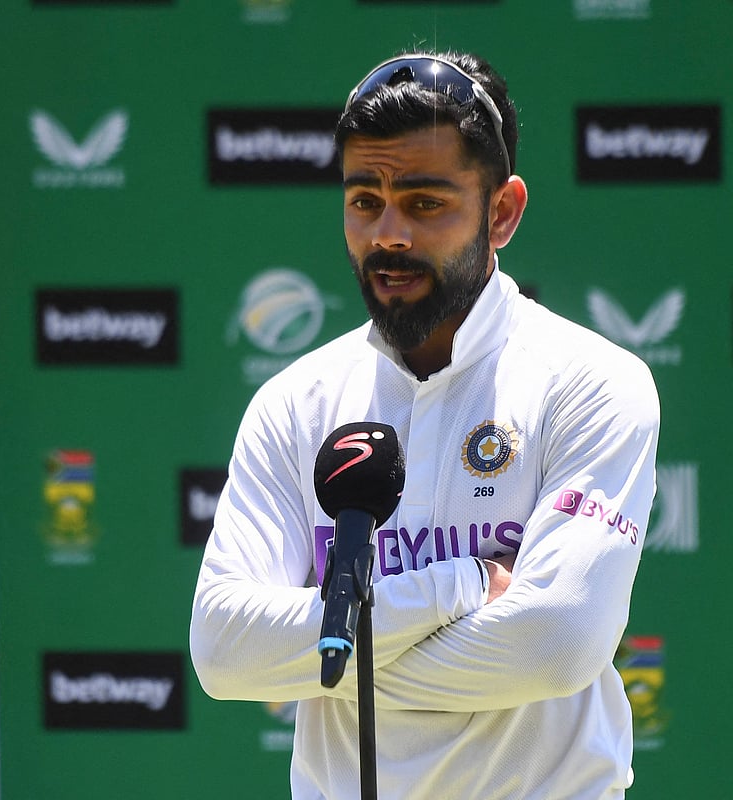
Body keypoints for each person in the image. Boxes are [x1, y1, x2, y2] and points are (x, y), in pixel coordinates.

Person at [190, 49, 661, 800]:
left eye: (425, 202)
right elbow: (222, 651)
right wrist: (459, 585)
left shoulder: (592, 382)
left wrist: (328, 653)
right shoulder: (295, 401)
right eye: (364, 199)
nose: (389, 234)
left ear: (501, 212)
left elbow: (555, 645)